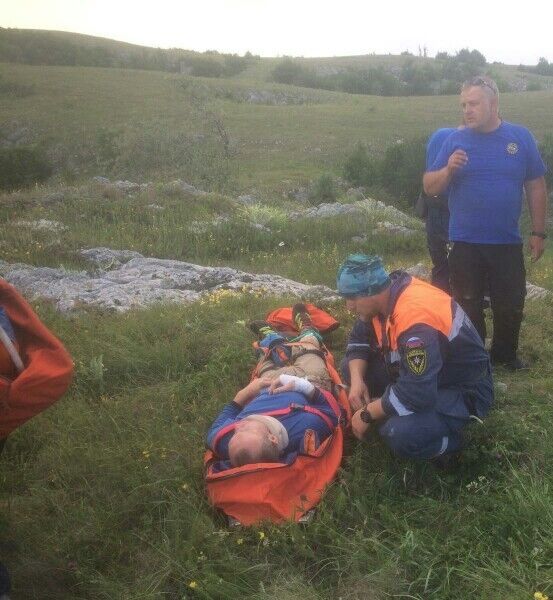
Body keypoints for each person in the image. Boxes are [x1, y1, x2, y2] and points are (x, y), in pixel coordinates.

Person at [423, 75, 548, 371]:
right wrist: (448, 169)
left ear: (494, 103)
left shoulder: (520, 138)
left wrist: (539, 232)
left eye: (474, 104)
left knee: (511, 302)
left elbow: (536, 185)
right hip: (465, 241)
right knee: (467, 302)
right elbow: (429, 186)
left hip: (507, 240)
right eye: (463, 105)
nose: (467, 110)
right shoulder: (454, 140)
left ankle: (505, 356)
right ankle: (475, 357)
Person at [338, 254, 493, 463]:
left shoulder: (414, 321)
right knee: (350, 368)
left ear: (370, 293)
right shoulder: (385, 296)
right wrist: (357, 381)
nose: (349, 306)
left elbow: (418, 392)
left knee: (399, 433)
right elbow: (358, 339)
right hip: (431, 376)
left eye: (352, 298)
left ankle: (457, 442)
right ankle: (395, 405)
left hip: (462, 389)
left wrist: (368, 413)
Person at [206, 304, 342, 467]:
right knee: (309, 347)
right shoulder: (305, 430)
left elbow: (224, 417)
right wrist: (301, 386)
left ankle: (271, 336)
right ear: (272, 438)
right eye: (246, 429)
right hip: (310, 379)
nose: (238, 425)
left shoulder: (223, 441)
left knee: (269, 355)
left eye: (235, 433)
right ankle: (306, 327)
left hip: (266, 384)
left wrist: (247, 391)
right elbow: (333, 413)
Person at [419, 127, 457, 294]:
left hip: (434, 209)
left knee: (441, 266)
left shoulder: (439, 135)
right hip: (450, 211)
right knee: (461, 267)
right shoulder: (452, 139)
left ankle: (440, 301)